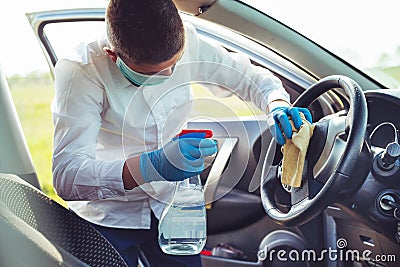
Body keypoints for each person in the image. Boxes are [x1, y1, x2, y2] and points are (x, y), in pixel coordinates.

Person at [51, 0, 312, 266]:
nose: (168, 76)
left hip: (171, 205)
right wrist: (149, 167)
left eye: (174, 66)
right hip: (107, 215)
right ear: (113, 56)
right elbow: (66, 175)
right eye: (151, 75)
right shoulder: (80, 71)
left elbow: (249, 77)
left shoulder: (189, 41)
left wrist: (276, 103)